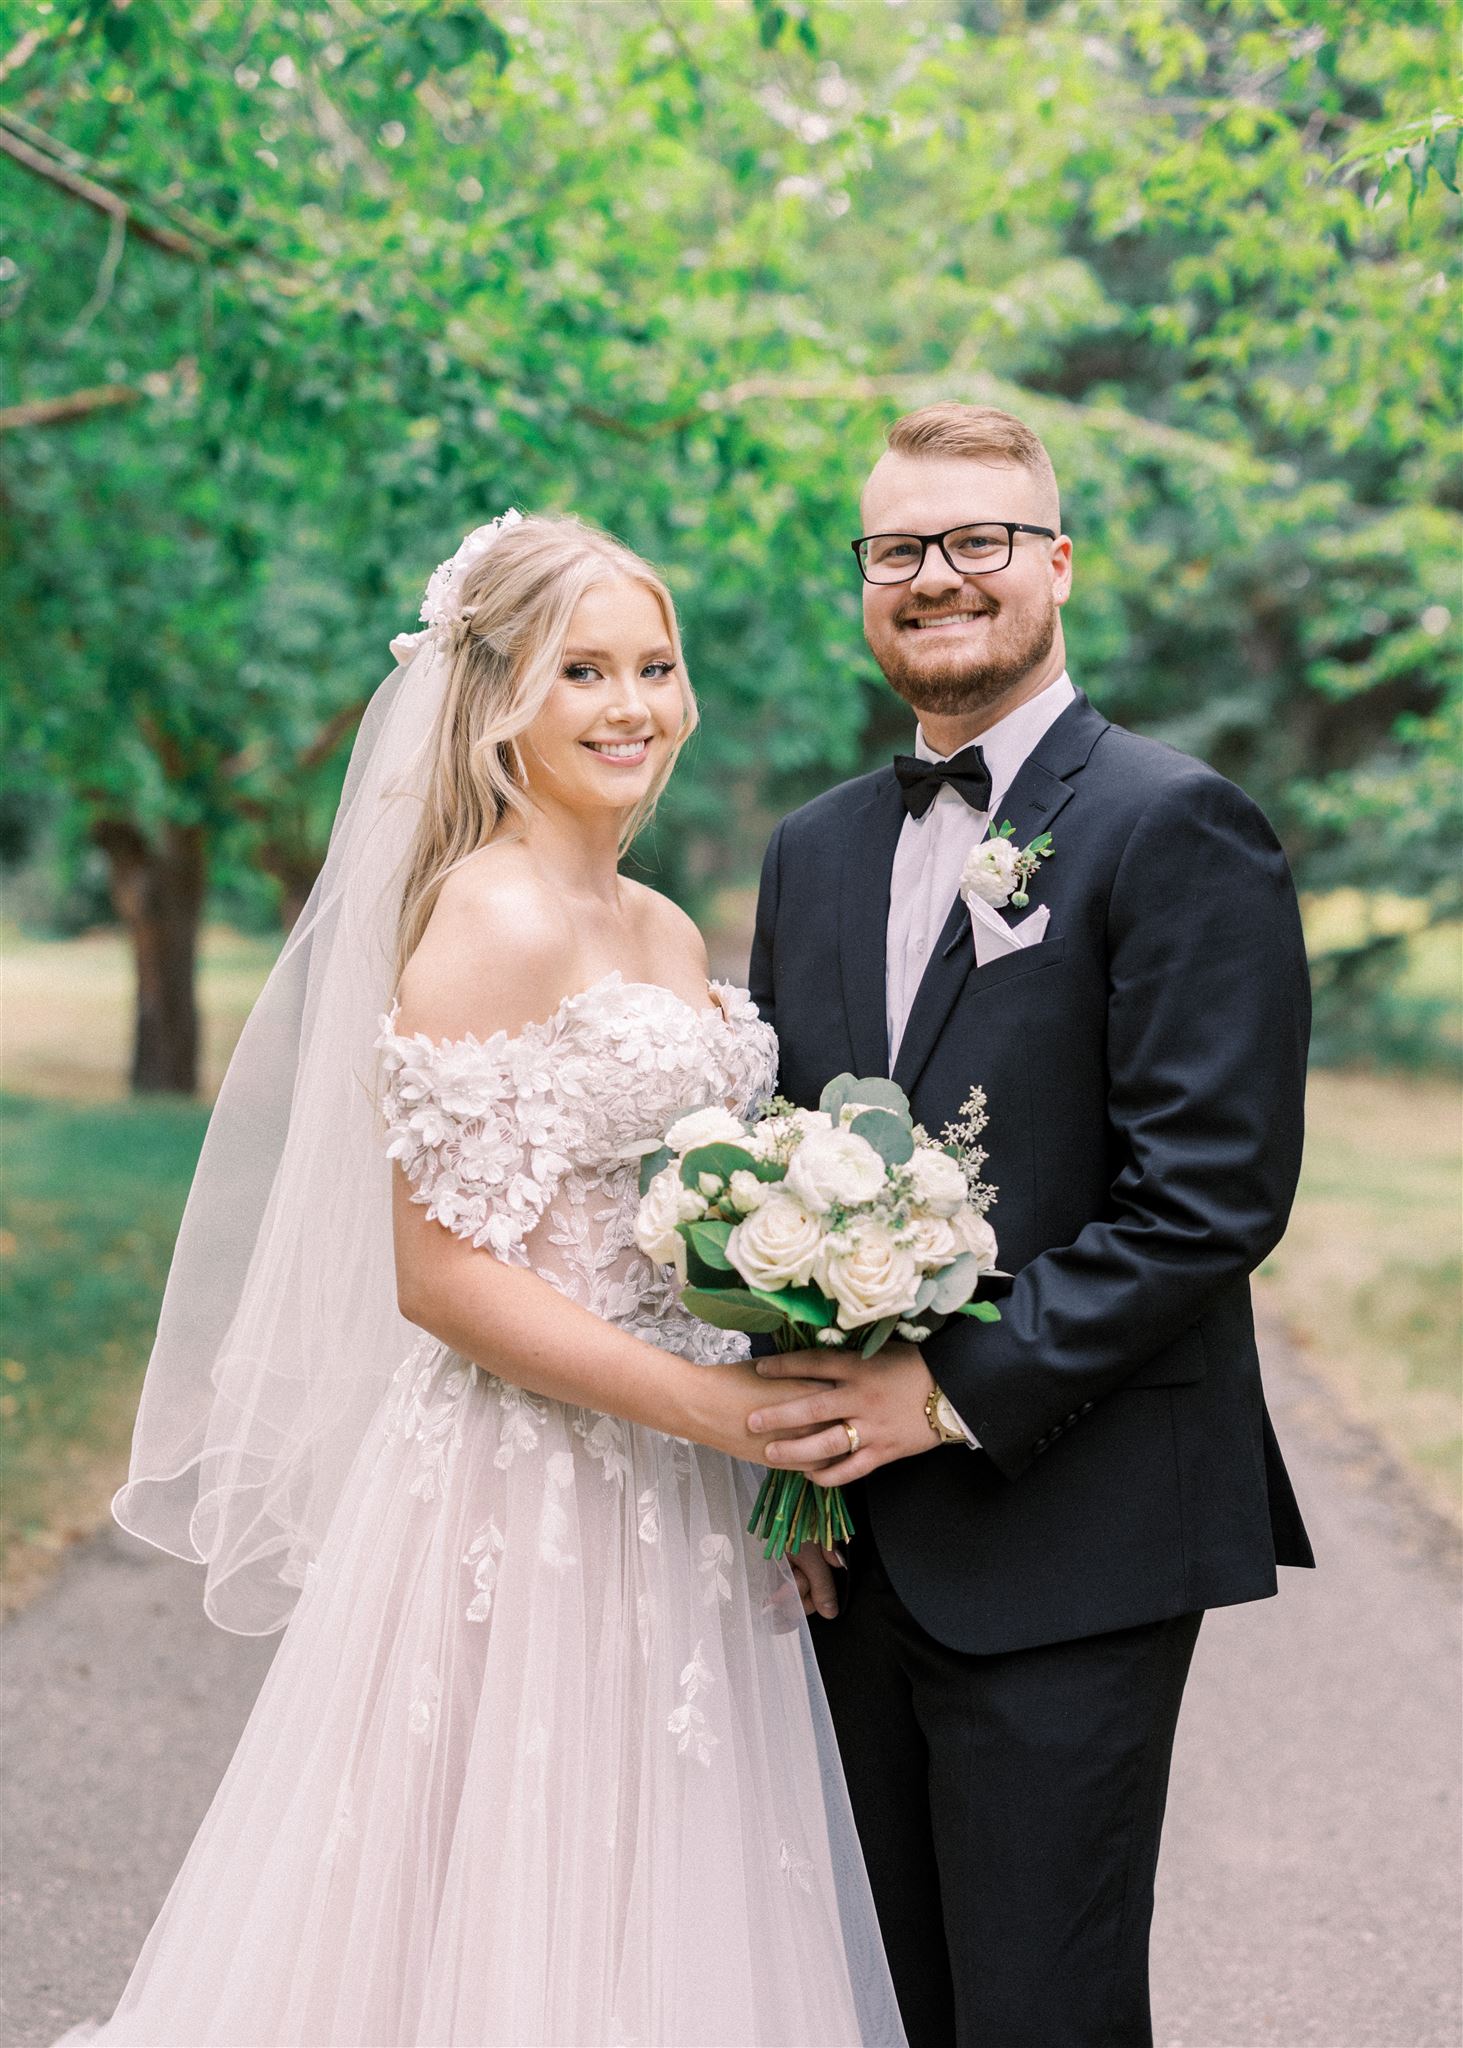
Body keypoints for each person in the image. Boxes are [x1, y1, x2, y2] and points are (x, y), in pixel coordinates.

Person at [55, 513, 906, 2047]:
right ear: (499, 694)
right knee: (508, 1894)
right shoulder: (488, 916)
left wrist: (761, 1440)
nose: (631, 704)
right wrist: (717, 1416)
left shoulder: (660, 924)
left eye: (655, 664)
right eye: (583, 670)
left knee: (677, 1889)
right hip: (534, 1490)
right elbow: (441, 1280)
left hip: (692, 1495)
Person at [745, 401, 1315, 2048]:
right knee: (879, 2001)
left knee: (1043, 2011)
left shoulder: (1172, 821)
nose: (936, 575)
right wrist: (801, 1474)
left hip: (1078, 1526)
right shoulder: (814, 850)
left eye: (976, 538)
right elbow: (791, 1163)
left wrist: (932, 1399)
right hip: (856, 1558)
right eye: (898, 548)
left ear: (1056, 565)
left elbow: (1209, 1198)